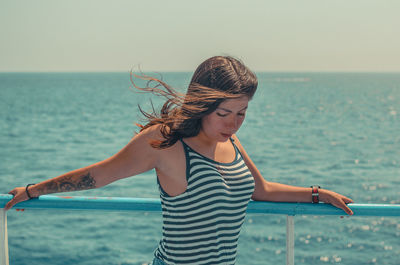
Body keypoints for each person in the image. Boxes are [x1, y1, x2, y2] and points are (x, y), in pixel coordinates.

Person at [5, 56, 353, 265]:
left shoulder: (230, 141)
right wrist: (35, 190)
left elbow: (260, 190)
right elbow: (100, 174)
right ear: (203, 103)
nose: (233, 123)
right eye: (224, 113)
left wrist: (317, 194)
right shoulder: (166, 142)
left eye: (242, 113)